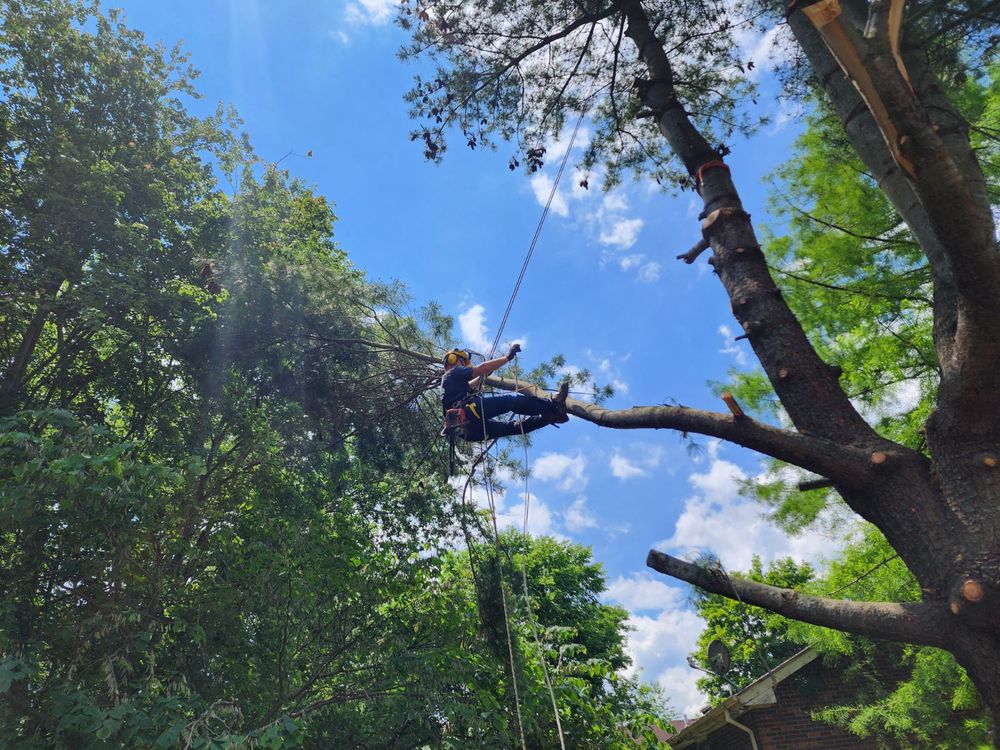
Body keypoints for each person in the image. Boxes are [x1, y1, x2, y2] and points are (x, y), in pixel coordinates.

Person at [440, 344, 569, 441]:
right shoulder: (453, 372)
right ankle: (552, 404)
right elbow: (481, 369)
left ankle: (547, 418)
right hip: (467, 411)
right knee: (509, 401)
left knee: (512, 428)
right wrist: (508, 357)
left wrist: (482, 376)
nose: (464, 365)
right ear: (452, 359)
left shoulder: (451, 382)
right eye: (462, 361)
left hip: (468, 432)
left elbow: (475, 382)